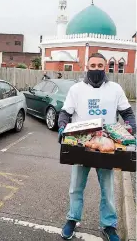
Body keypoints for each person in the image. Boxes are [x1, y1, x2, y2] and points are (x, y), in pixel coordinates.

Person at [58, 53, 136, 241]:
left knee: (107, 189)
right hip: (81, 145)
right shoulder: (77, 89)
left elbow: (128, 113)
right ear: (87, 66)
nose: (96, 69)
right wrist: (62, 127)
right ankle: (72, 219)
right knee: (76, 187)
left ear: (105, 67)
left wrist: (131, 129)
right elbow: (65, 113)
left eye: (100, 65)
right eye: (92, 65)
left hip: (107, 146)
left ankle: (108, 225)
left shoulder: (115, 89)